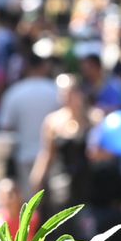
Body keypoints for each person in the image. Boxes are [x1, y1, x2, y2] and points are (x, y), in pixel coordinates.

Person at [27, 74, 97, 217]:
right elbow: (47, 154)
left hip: (89, 182)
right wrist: (36, 182)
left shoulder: (93, 119)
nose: (67, 96)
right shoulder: (53, 122)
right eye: (63, 93)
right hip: (62, 183)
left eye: (71, 92)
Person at [0, 52, 61, 190]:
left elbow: (5, 127)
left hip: (25, 156)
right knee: (55, 207)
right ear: (44, 67)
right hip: (54, 159)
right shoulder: (55, 91)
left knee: (31, 204)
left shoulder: (14, 93)